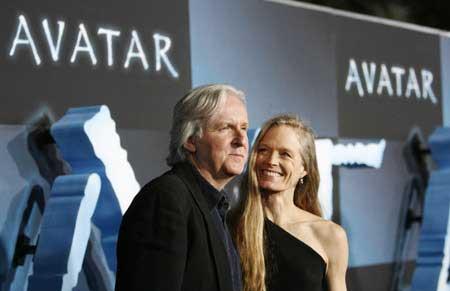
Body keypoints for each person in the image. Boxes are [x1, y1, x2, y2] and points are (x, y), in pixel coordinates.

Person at [115, 84, 249, 291]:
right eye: (225, 128)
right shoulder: (166, 198)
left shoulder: (215, 206)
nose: (241, 141)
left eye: (244, 128)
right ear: (190, 140)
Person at [234, 115, 348, 291]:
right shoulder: (230, 226)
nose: (271, 161)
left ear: (304, 169)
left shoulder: (330, 235)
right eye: (263, 150)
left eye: (285, 154)